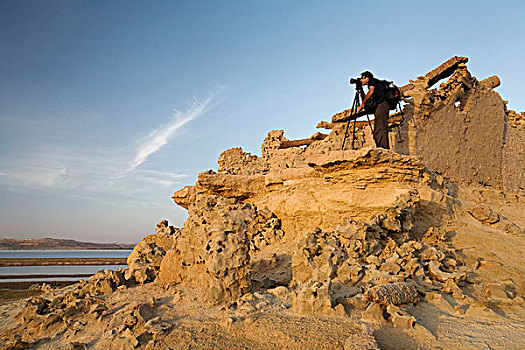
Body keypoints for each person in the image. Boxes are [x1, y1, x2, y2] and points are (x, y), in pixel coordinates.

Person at [358, 71, 390, 149]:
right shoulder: (377, 83)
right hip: (382, 105)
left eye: (361, 78)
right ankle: (382, 146)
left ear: (366, 78)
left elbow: (371, 91)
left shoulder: (371, 81)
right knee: (379, 127)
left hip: (381, 104)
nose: (360, 80)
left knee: (380, 127)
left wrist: (362, 104)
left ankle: (383, 148)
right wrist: (360, 90)